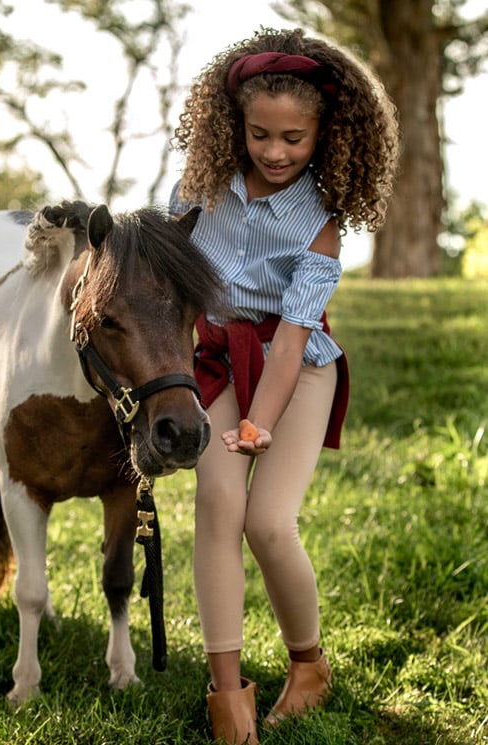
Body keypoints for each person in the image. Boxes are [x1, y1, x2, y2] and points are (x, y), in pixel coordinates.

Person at [169, 27, 399, 744]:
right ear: (234, 126)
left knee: (268, 522)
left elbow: (294, 337)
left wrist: (257, 424)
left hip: (295, 369)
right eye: (260, 133)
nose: (274, 151)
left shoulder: (322, 225)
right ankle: (228, 691)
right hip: (213, 358)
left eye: (293, 138)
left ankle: (309, 663)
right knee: (218, 503)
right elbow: (166, 279)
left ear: (324, 134)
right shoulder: (198, 192)